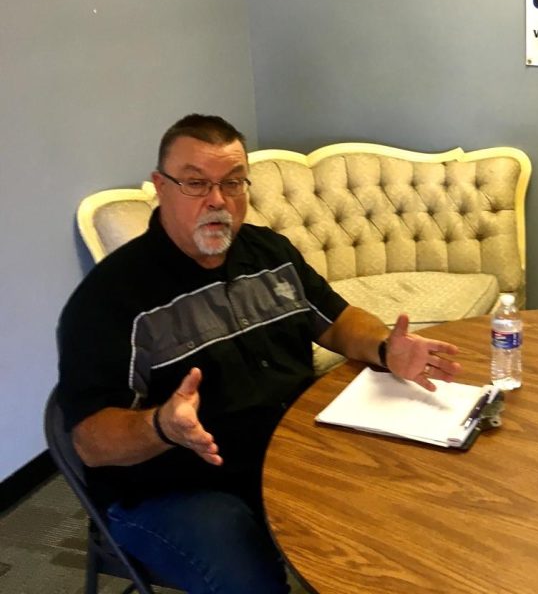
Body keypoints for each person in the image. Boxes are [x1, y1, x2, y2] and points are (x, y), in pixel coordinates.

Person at [57, 114, 462, 594]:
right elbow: (89, 440)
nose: (217, 201)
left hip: (284, 450)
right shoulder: (110, 298)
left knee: (397, 511)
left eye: (232, 183)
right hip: (175, 486)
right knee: (255, 583)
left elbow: (334, 319)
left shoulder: (270, 252)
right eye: (195, 183)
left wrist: (383, 348)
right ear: (160, 187)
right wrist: (162, 426)